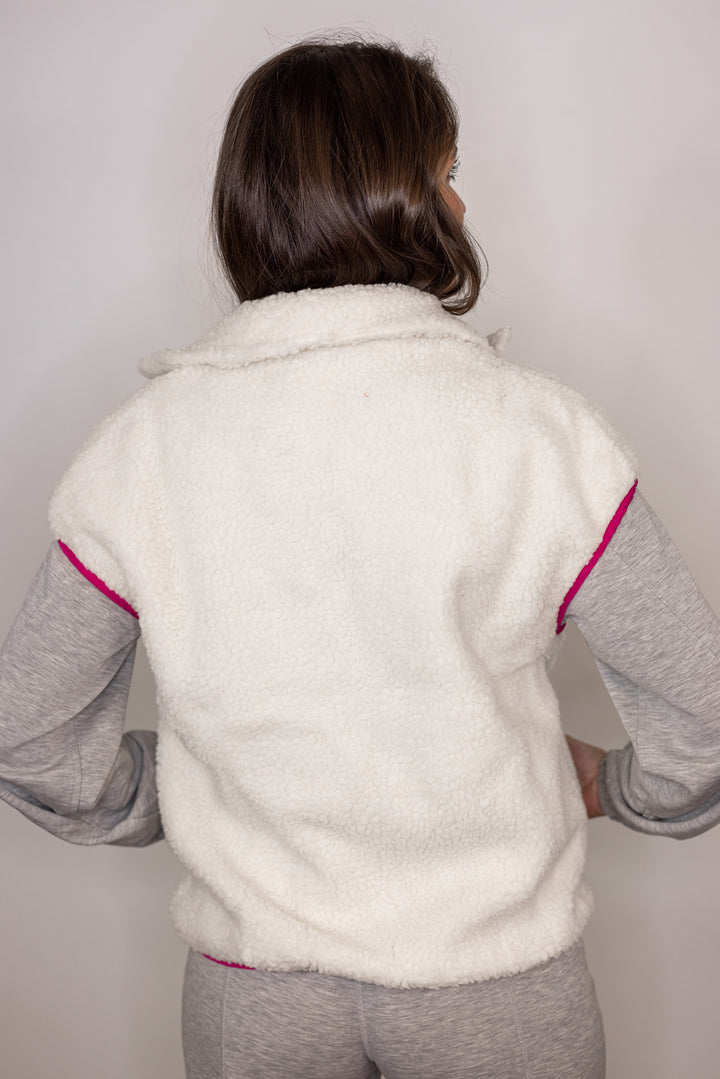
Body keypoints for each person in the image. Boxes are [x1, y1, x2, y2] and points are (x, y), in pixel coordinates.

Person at [1, 37, 719, 1079]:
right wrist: (616, 786)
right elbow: (706, 723)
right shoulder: (539, 436)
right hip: (497, 984)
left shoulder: (140, 450)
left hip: (256, 989)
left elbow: (29, 736)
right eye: (449, 173)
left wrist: (176, 793)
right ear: (400, 196)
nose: (462, 205)